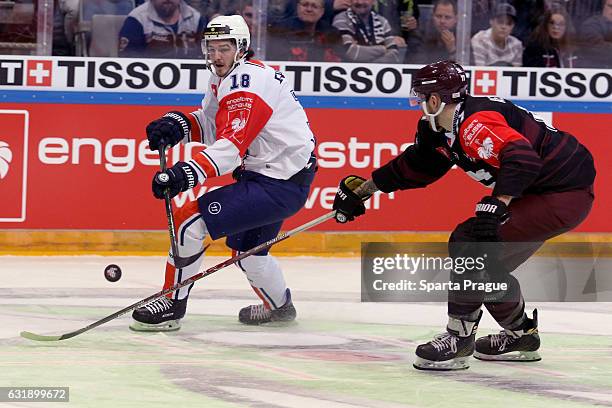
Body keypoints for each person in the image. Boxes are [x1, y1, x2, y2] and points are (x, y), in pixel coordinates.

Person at [332, 60, 595, 370]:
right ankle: (521, 335)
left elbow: (521, 157)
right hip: (547, 192)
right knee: (482, 268)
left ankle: (458, 339)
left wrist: (499, 203)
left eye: (419, 97)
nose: (416, 103)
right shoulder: (441, 127)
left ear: (433, 99)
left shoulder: (475, 122)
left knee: (469, 243)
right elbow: (418, 166)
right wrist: (363, 191)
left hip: (563, 193)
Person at [130, 15, 317, 332]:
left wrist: (184, 174)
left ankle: (172, 304)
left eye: (225, 48)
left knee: (189, 220)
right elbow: (216, 124)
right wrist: (179, 126)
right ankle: (279, 308)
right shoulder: (230, 76)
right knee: (249, 253)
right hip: (281, 179)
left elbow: (230, 147)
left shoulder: (247, 83)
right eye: (211, 48)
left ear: (241, 48)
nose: (216, 56)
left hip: (276, 183)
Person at [118, 0, 206, 58]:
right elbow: (127, 58)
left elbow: (205, 56)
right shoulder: (137, 19)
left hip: (189, 78)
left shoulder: (196, 18)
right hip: (150, 79)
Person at [267, 0, 343, 62]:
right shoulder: (281, 30)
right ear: (298, 8)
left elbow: (337, 61)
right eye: (305, 5)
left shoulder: (332, 33)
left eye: (314, 6)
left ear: (322, 11)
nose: (309, 9)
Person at [332, 0, 400, 63]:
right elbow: (350, 52)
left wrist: (371, 64)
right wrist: (383, 49)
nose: (360, 2)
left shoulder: (382, 21)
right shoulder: (341, 19)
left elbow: (394, 55)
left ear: (374, 1)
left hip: (378, 72)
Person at [405, 0, 457, 64]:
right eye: (438, 16)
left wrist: (452, 50)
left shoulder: (462, 37)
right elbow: (414, 64)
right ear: (432, 16)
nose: (442, 21)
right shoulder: (420, 35)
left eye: (447, 17)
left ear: (456, 19)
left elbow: (466, 69)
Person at [579, 0, 612, 68]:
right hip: (597, 69)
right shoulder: (590, 25)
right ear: (603, 7)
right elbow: (599, 49)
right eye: (611, 6)